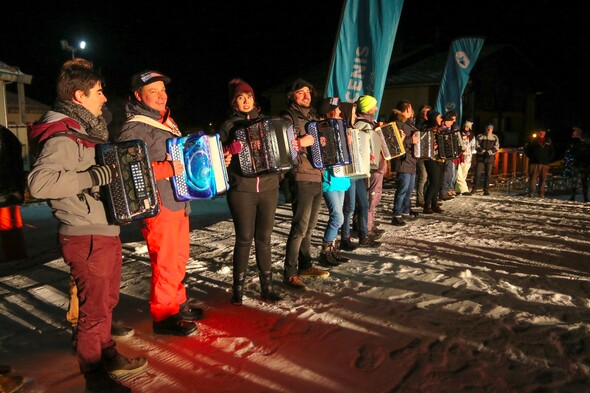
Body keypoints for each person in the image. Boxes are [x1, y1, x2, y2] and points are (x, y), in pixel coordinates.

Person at [27, 58, 147, 393]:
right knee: (93, 311)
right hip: (85, 234)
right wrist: (92, 177)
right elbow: (39, 184)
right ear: (79, 96)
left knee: (106, 302)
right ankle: (94, 377)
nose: (104, 97)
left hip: (103, 229)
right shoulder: (63, 135)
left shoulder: (83, 131)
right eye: (99, 91)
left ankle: (107, 355)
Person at [117, 70, 202, 336]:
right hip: (160, 205)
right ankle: (164, 316)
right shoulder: (134, 126)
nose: (161, 95)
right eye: (153, 91)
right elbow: (126, 169)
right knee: (165, 261)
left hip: (178, 201)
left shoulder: (166, 122)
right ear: (138, 96)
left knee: (178, 258)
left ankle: (177, 303)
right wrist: (168, 168)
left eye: (162, 90)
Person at [218, 78, 283, 305]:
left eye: (249, 96)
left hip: (269, 188)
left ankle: (267, 286)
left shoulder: (268, 122)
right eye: (240, 97)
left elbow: (281, 146)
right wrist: (227, 149)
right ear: (234, 102)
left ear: (254, 99)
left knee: (264, 239)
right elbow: (218, 157)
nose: (246, 101)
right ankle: (238, 289)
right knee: (244, 239)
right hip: (242, 190)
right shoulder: (228, 126)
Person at [280, 78, 330, 290]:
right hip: (300, 175)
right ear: (292, 96)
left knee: (309, 228)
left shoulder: (314, 117)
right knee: (299, 228)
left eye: (307, 91)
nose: (306, 95)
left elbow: (318, 142)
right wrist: (300, 143)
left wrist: (323, 142)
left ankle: (306, 265)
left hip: (317, 175)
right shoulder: (287, 117)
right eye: (300, 92)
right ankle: (289, 272)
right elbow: (279, 148)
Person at [342, 95, 381, 248]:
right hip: (350, 172)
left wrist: (368, 153)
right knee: (349, 207)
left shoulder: (354, 127)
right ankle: (345, 237)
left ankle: (363, 236)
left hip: (359, 171)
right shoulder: (353, 127)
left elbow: (362, 146)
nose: (355, 115)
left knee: (364, 205)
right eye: (353, 113)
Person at [315, 97, 351, 266]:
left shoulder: (341, 127)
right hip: (328, 178)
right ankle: (325, 252)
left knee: (340, 217)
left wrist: (349, 143)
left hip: (340, 176)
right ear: (328, 112)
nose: (339, 112)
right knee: (337, 217)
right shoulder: (321, 127)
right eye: (336, 110)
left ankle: (332, 250)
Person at [358, 95, 386, 239]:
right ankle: (366, 228)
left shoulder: (371, 123)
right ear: (367, 108)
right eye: (374, 106)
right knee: (371, 197)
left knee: (375, 197)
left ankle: (369, 224)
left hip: (377, 167)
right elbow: (361, 146)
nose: (376, 108)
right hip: (371, 168)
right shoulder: (362, 124)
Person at [390, 100, 420, 226]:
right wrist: (410, 140)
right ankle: (396, 214)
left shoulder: (409, 124)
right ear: (407, 109)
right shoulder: (397, 123)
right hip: (403, 161)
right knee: (402, 188)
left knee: (409, 189)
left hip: (411, 160)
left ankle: (405, 209)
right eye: (411, 108)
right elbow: (394, 142)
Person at [421, 110, 445, 214]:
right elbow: (424, 145)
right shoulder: (427, 129)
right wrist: (433, 146)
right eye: (439, 117)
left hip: (440, 158)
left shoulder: (440, 130)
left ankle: (434, 204)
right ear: (434, 118)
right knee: (433, 181)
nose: (441, 119)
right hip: (430, 158)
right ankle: (426, 206)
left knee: (438, 182)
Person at [524, 127, 555, 198]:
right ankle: (531, 193)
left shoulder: (548, 141)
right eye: (540, 132)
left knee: (543, 179)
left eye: (543, 132)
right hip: (534, 162)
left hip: (544, 163)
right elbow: (526, 149)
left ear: (545, 133)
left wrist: (548, 159)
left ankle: (541, 193)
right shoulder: (532, 140)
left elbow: (552, 151)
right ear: (538, 133)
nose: (542, 134)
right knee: (533, 178)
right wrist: (531, 156)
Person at [471, 124, 500, 195]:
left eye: (490, 128)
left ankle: (486, 190)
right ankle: (474, 188)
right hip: (481, 158)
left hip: (490, 158)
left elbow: (496, 147)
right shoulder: (480, 136)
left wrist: (489, 152)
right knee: (477, 173)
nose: (489, 130)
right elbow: (476, 145)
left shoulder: (495, 137)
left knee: (488, 174)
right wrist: (484, 152)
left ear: (492, 130)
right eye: (488, 128)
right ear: (486, 129)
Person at [564, 126, 590, 202]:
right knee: (575, 181)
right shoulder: (574, 142)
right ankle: (573, 196)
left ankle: (585, 197)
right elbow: (569, 152)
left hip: (584, 164)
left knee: (584, 181)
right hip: (577, 163)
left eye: (575, 131)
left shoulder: (585, 140)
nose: (573, 132)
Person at [439, 111, 459, 200]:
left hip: (450, 155)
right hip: (444, 156)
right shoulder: (442, 129)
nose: (452, 122)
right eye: (451, 120)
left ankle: (445, 191)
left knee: (450, 174)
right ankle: (443, 192)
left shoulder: (451, 129)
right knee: (445, 174)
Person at [414, 104, 431, 207]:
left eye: (429, 112)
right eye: (425, 112)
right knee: (423, 177)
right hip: (421, 153)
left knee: (429, 177)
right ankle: (420, 200)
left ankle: (427, 198)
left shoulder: (429, 123)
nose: (427, 114)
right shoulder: (419, 123)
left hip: (428, 153)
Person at [454, 119, 476, 196]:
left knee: (463, 174)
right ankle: (464, 189)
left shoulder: (472, 135)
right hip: (460, 156)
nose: (466, 128)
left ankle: (457, 189)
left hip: (468, 157)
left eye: (468, 126)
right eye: (465, 126)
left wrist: (472, 154)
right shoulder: (459, 134)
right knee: (459, 173)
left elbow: (473, 146)